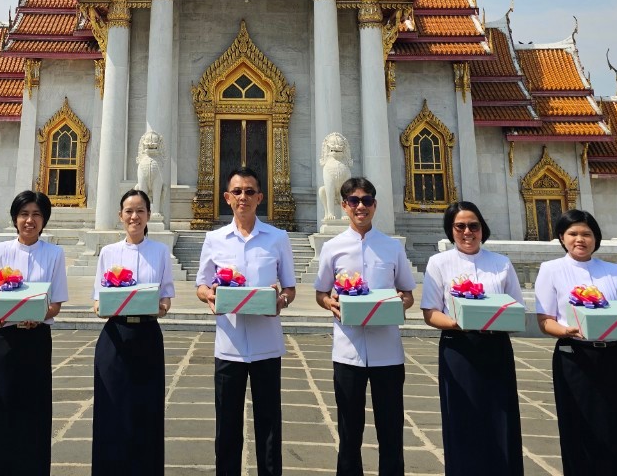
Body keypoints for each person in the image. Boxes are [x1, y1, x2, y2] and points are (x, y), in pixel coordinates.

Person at [196, 166, 296, 476]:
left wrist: (281, 301)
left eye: (250, 191)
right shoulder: (214, 239)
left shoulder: (277, 238)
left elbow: (289, 288)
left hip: (267, 344)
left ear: (260, 197)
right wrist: (210, 296)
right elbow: (201, 285)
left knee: (269, 425)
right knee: (227, 426)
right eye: (237, 192)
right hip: (230, 345)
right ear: (227, 197)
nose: (243, 197)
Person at [535, 209, 617, 476]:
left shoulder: (612, 271)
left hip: (615, 356)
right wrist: (565, 330)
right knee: (580, 425)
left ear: (596, 238)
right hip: (575, 356)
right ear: (561, 237)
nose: (580, 239)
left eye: (586, 234)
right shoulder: (551, 270)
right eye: (572, 233)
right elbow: (545, 320)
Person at [313, 178, 416, 476]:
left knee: (391, 430)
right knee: (349, 431)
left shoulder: (392, 247)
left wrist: (400, 303)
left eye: (367, 200)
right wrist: (329, 303)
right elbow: (321, 293)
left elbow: (408, 293)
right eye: (354, 201)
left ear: (375, 204)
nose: (361, 206)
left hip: (388, 352)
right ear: (344, 205)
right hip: (349, 351)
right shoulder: (332, 248)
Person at [420, 201, 524, 476]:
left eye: (473, 226)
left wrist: (498, 319)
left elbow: (517, 308)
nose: (467, 232)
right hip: (459, 348)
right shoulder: (439, 263)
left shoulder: (501, 263)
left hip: (495, 347)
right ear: (451, 230)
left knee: (501, 416)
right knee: (462, 418)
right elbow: (430, 313)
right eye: (460, 226)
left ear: (482, 228)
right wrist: (459, 322)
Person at [0, 191, 68, 476]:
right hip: (2, 339)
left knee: (33, 411)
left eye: (36, 215)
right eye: (24, 214)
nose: (30, 220)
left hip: (36, 341)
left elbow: (56, 304)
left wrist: (38, 316)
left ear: (45, 220)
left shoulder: (54, 254)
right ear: (15, 218)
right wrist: (0, 315)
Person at [91, 189, 175, 476]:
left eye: (140, 211)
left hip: (147, 336)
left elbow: (166, 298)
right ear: (120, 215)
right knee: (111, 409)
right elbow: (97, 302)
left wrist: (160, 307)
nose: (134, 216)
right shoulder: (108, 253)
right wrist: (106, 306)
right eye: (129, 211)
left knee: (146, 410)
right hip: (115, 337)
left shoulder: (160, 252)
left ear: (149, 215)